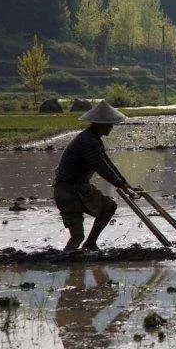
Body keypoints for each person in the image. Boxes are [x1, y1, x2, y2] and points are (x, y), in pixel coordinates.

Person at [53, 100, 136, 252]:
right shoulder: (87, 142)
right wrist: (122, 186)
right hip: (68, 191)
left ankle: (89, 245)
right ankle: (66, 262)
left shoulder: (93, 139)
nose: (111, 127)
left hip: (80, 188)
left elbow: (109, 164)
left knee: (108, 207)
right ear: (99, 124)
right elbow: (102, 168)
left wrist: (126, 185)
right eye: (109, 124)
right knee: (77, 236)